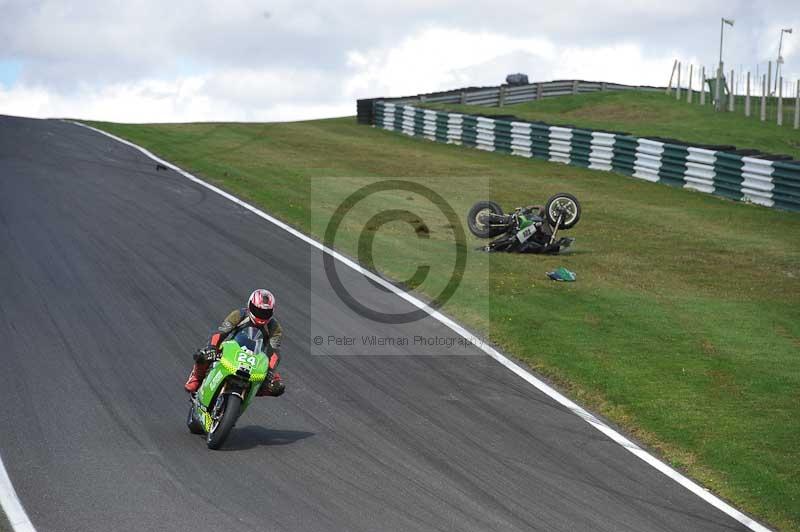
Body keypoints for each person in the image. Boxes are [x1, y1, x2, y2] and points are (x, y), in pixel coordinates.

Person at [184, 289, 285, 397]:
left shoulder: (275, 328)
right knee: (203, 355)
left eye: (265, 313)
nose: (261, 316)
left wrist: (270, 371)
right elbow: (221, 333)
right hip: (231, 349)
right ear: (250, 305)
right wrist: (212, 348)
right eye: (258, 311)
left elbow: (274, 352)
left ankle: (251, 392)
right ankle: (196, 378)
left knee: (277, 386)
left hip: (257, 358)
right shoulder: (239, 315)